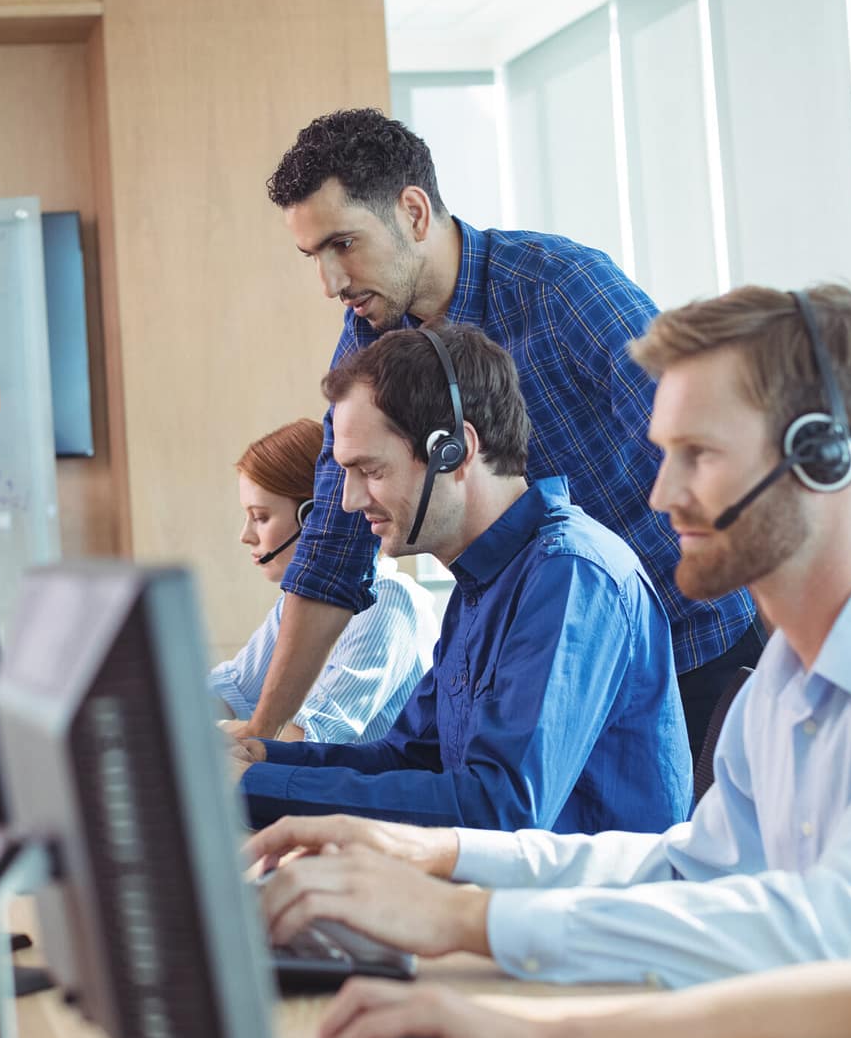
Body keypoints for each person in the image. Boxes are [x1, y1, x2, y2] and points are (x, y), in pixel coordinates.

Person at [249, 285, 851, 1038]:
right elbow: (689, 872)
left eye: (697, 454)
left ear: (825, 458)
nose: (660, 493)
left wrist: (468, 917)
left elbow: (841, 935)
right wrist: (439, 853)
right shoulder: (779, 680)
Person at [230, 108, 761, 761]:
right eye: (313, 255)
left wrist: (796, 646)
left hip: (690, 649)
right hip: (545, 674)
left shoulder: (561, 288)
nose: (329, 283)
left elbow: (707, 447)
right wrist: (259, 737)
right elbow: (331, 556)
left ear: (415, 213)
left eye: (343, 244)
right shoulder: (366, 349)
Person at [237, 323, 692, 836]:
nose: (349, 500)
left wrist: (249, 789)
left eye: (371, 470)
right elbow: (411, 756)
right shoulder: (484, 581)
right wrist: (260, 760)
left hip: (590, 910)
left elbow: (500, 809)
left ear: (453, 451)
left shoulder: (571, 576)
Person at [209, 417, 438, 744]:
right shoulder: (293, 606)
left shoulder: (387, 601)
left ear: (314, 517)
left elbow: (310, 736)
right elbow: (234, 686)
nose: (245, 536)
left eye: (260, 517)